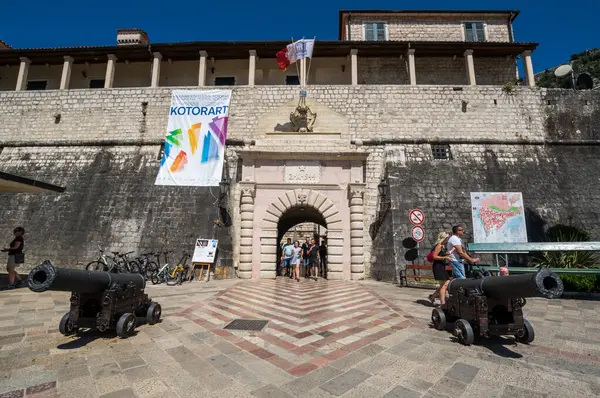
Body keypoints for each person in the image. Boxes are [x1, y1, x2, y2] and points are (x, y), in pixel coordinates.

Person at [428, 232, 453, 305]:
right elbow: (434, 256)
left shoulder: (442, 246)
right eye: (447, 238)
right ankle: (443, 302)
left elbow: (440, 254)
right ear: (444, 238)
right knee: (444, 284)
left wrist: (447, 254)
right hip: (438, 266)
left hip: (441, 265)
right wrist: (445, 257)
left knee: (444, 284)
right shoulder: (439, 245)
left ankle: (433, 297)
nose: (448, 239)